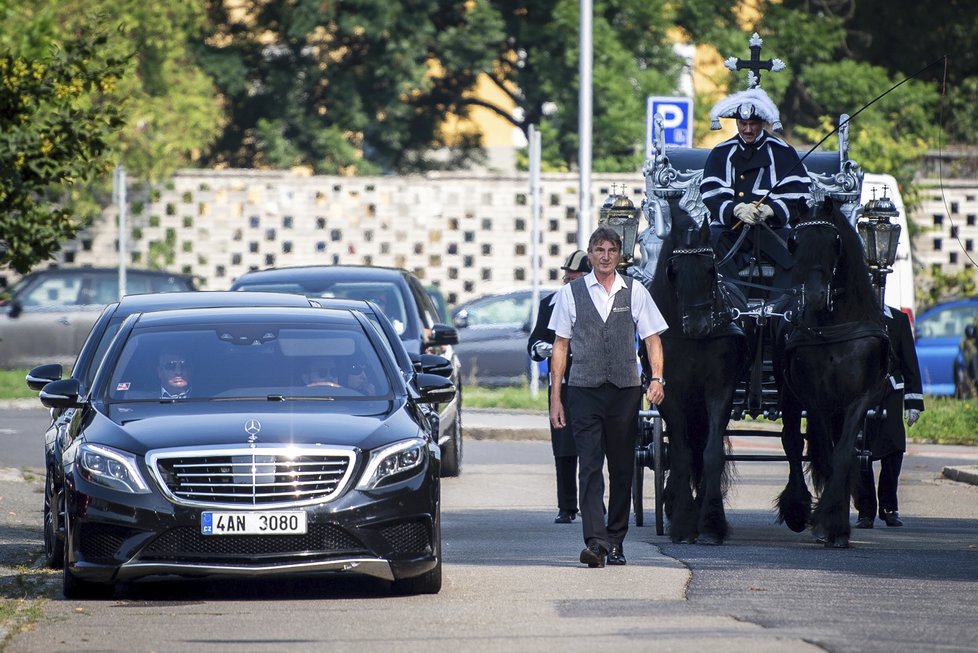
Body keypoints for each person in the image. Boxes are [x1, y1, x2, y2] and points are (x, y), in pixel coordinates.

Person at [549, 226, 667, 567]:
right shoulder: (571, 294)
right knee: (589, 467)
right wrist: (557, 397)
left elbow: (652, 339)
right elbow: (561, 345)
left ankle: (616, 540)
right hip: (583, 390)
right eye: (599, 250)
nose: (604, 256)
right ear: (589, 254)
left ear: (619, 255)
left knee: (621, 468)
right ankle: (596, 542)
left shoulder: (636, 291)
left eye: (611, 251)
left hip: (624, 390)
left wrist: (657, 378)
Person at [700, 86, 810, 283]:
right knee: (710, 242)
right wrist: (736, 209)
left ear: (764, 122)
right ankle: (731, 301)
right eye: (743, 123)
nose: (748, 129)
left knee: (797, 249)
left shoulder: (783, 151)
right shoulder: (721, 152)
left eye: (753, 124)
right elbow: (711, 193)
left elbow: (799, 195)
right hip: (729, 228)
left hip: (771, 228)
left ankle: (783, 306)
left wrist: (771, 210)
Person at [527, 249, 591, 524]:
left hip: (593, 382)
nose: (568, 284)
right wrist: (542, 348)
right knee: (564, 447)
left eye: (574, 278)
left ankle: (593, 504)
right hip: (563, 384)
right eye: (567, 278)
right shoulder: (551, 303)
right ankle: (566, 506)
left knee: (592, 448)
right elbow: (534, 341)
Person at [853, 305, 924, 528]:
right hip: (858, 392)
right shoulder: (850, 315)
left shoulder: (898, 319)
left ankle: (889, 507)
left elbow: (909, 362)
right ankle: (865, 511)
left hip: (890, 392)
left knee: (893, 449)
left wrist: (913, 402)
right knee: (859, 451)